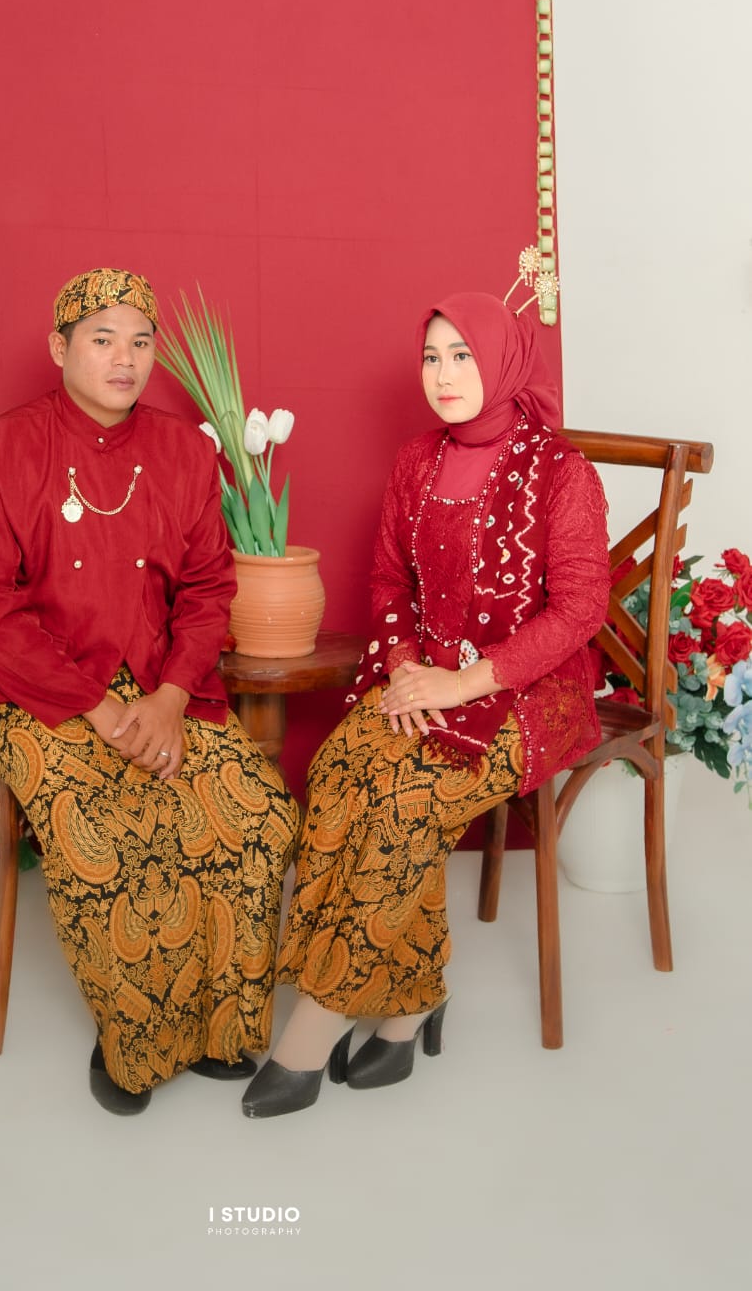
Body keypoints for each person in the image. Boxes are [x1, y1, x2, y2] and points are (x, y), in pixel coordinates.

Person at [242, 290, 610, 1118]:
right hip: (424, 676)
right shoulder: (417, 459)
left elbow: (579, 609)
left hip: (526, 697)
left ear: (504, 362)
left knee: (403, 801)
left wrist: (462, 684)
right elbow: (386, 581)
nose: (443, 376)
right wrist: (408, 668)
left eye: (463, 356)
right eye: (432, 358)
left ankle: (316, 1022)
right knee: (339, 771)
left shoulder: (561, 472)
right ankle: (412, 1001)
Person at [0, 268, 300, 1115]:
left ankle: (222, 1031)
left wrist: (171, 698)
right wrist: (102, 711)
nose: (125, 359)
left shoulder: (185, 451)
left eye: (140, 342)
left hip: (161, 683)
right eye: (102, 339)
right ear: (58, 347)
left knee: (258, 817)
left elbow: (209, 590)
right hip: (40, 693)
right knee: (109, 839)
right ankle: (134, 1045)